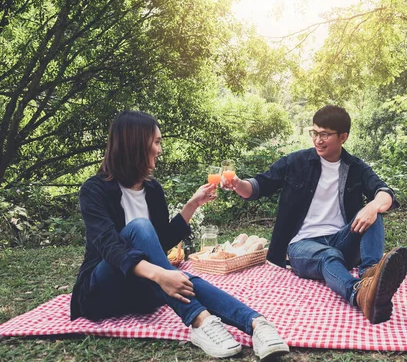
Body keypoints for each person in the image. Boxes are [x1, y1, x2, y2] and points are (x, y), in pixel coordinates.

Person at [70, 110, 289, 359]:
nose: (160, 150)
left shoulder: (152, 190)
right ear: (135, 143)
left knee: (182, 277)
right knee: (143, 231)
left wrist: (192, 205)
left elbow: (159, 242)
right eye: (156, 142)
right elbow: (110, 248)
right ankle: (201, 321)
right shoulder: (94, 190)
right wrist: (162, 274)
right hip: (101, 292)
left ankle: (258, 325)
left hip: (141, 294)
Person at [222, 105, 407, 324]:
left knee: (373, 213)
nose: (318, 140)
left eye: (325, 135)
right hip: (303, 245)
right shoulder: (296, 162)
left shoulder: (356, 167)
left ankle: (370, 275)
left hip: (341, 240)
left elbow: (386, 194)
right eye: (315, 133)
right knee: (328, 256)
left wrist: (373, 206)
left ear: (343, 137)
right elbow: (257, 187)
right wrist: (237, 184)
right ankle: (358, 293)